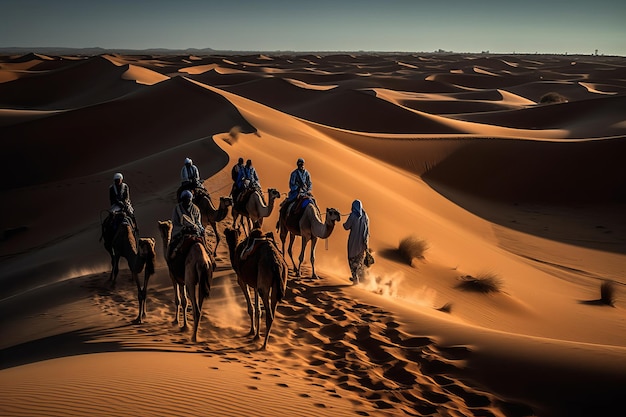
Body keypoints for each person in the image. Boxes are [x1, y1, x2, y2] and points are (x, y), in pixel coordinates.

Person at [168, 190, 205, 262]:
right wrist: (183, 228)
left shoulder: (195, 208)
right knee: (173, 247)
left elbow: (198, 221)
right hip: (181, 232)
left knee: (205, 246)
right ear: (183, 199)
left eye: (189, 200)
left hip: (194, 231)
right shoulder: (177, 208)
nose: (187, 202)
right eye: (186, 200)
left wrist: (200, 228)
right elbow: (175, 222)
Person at [342, 199, 370, 285]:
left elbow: (346, 226)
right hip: (362, 244)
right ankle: (361, 279)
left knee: (352, 260)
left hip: (353, 243)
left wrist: (343, 224)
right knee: (359, 262)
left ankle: (355, 280)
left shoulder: (353, 216)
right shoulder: (366, 216)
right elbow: (367, 231)